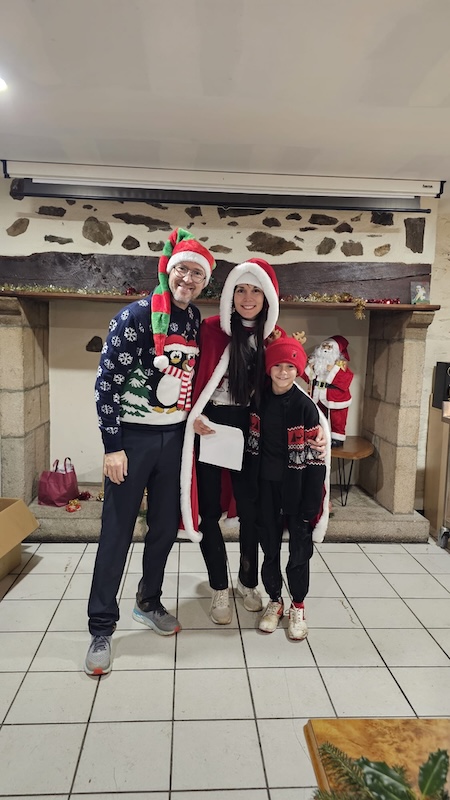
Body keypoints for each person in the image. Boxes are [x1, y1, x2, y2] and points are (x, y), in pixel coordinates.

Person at [84, 228, 216, 675]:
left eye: (197, 274)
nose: (188, 279)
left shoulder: (193, 318)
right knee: (117, 532)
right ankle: (101, 627)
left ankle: (148, 600)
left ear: (205, 281)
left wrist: (194, 419)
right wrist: (112, 446)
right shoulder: (135, 316)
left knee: (162, 528)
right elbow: (106, 383)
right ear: (168, 270)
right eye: (183, 270)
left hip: (174, 440)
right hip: (133, 440)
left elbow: (189, 378)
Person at [180, 259, 326, 625]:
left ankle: (248, 581)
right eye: (241, 290)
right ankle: (218, 585)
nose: (248, 298)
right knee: (209, 510)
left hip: (253, 431)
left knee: (251, 511)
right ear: (230, 294)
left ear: (268, 297)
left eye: (256, 291)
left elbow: (290, 386)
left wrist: (320, 426)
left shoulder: (274, 336)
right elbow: (190, 379)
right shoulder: (211, 330)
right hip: (211, 427)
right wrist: (192, 416)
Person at [248, 336, 330, 639]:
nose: (283, 372)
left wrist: (312, 502)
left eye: (290, 367)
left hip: (297, 489)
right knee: (269, 547)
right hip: (265, 488)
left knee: (299, 551)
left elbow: (316, 459)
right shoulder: (258, 400)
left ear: (298, 370)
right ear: (269, 368)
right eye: (278, 366)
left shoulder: (305, 407)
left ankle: (298, 605)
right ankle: (275, 599)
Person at [303, 335, 353, 446]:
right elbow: (306, 377)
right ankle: (320, 434)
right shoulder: (316, 363)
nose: (325, 349)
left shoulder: (340, 365)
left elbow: (346, 380)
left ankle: (337, 438)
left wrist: (333, 369)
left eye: (329, 347)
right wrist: (310, 368)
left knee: (338, 418)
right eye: (324, 347)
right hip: (318, 394)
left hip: (336, 396)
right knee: (319, 415)